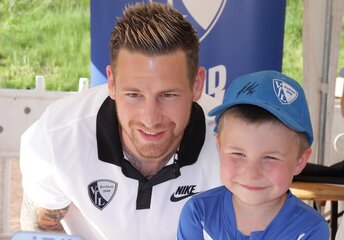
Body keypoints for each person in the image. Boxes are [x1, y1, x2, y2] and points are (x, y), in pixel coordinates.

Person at [19, 2, 221, 239]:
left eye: (168, 95)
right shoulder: (57, 136)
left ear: (196, 85)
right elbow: (40, 227)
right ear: (112, 84)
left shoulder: (230, 143)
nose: (150, 118)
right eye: (134, 95)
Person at [177, 70, 330, 239]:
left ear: (299, 161)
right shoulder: (198, 214)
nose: (251, 173)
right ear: (219, 148)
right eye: (238, 154)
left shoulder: (311, 229)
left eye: (270, 157)